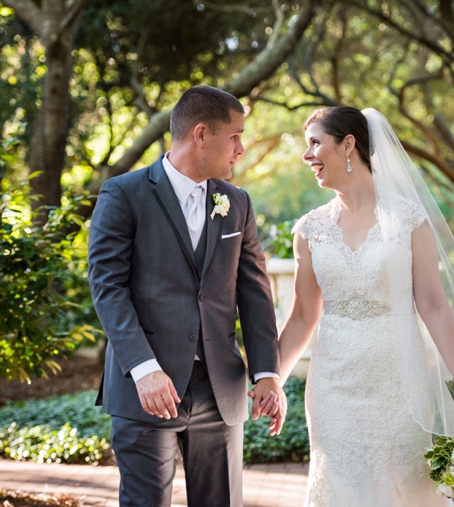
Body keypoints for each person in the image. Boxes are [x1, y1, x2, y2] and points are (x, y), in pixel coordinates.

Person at [272, 106, 454, 506]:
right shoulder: (310, 230)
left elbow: (435, 305)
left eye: (315, 143)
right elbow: (303, 316)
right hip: (334, 387)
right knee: (342, 483)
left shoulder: (407, 219)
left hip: (399, 383)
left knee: (405, 484)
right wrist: (273, 381)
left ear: (348, 144)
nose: (308, 156)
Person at [88, 85, 284, 507]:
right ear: (200, 135)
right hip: (148, 390)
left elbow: (254, 293)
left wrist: (267, 372)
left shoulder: (237, 203)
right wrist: (143, 369)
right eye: (235, 136)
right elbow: (108, 286)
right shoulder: (124, 193)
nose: (242, 148)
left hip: (220, 391)